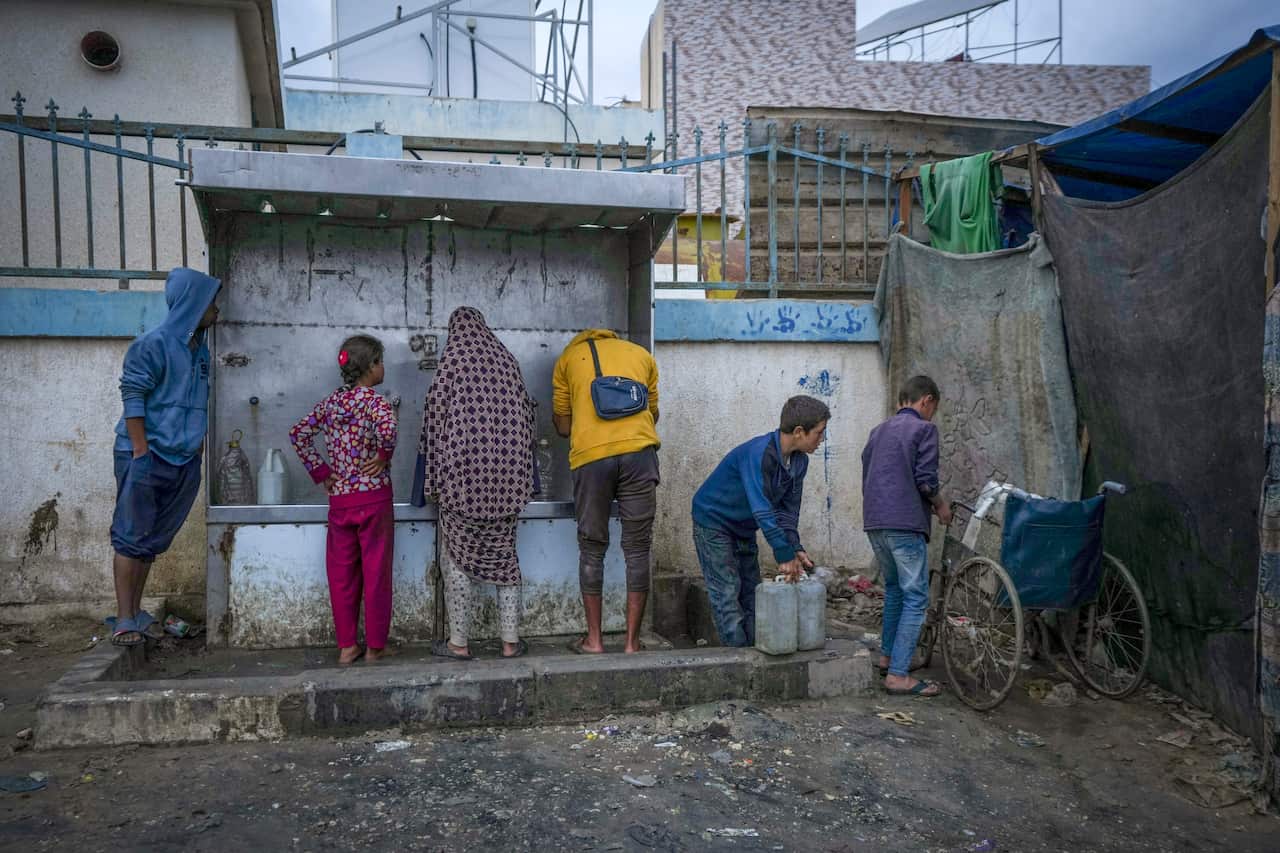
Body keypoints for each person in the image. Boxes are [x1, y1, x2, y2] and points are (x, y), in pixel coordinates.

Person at [108, 268, 221, 646]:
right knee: (131, 536)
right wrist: (140, 450)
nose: (216, 309)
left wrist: (197, 447)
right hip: (147, 454)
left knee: (151, 539)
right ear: (193, 303)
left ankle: (136, 612)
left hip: (182, 458)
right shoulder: (152, 345)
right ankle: (124, 618)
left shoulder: (199, 351)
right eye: (211, 302)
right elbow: (133, 396)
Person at [421, 307, 536, 661]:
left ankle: (458, 643)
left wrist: (430, 476)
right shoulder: (507, 359)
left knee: (456, 556)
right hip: (508, 480)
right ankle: (510, 643)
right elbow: (529, 414)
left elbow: (434, 414)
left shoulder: (454, 358)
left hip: (463, 478)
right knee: (504, 557)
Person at [289, 335, 397, 665]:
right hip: (374, 499)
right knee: (376, 573)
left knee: (342, 575)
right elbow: (389, 431)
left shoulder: (330, 404)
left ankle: (347, 645)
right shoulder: (376, 403)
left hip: (341, 502)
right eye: (380, 361)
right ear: (370, 366)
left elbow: (298, 434)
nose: (383, 368)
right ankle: (375, 646)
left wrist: (322, 472)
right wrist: (382, 455)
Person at [552, 329, 660, 654]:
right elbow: (653, 414)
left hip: (591, 459)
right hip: (641, 456)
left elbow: (563, 425)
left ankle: (594, 641)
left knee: (592, 546)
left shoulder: (569, 358)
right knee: (638, 548)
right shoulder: (642, 355)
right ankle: (632, 643)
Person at [691, 395, 829, 647]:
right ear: (799, 431)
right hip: (714, 522)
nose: (821, 440)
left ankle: (756, 652)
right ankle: (738, 663)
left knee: (752, 595)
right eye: (819, 433)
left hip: (744, 527)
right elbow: (762, 509)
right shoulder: (759, 453)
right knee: (727, 595)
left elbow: (787, 512)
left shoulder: (799, 462)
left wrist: (795, 547)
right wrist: (783, 554)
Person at [861, 374, 952, 697]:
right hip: (904, 523)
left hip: (875, 522)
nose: (932, 415)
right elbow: (926, 480)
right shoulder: (924, 430)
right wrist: (941, 507)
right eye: (933, 408)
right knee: (916, 597)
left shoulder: (877, 431)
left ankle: (888, 657)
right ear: (926, 401)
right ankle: (898, 675)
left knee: (895, 590)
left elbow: (868, 471)